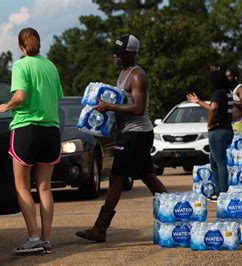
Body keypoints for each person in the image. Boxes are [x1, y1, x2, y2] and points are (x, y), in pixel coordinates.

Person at [75, 34, 168, 242]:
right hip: (131, 134)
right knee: (147, 176)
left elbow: (138, 107)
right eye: (115, 52)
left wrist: (110, 107)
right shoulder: (124, 73)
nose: (115, 56)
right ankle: (176, 213)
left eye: (120, 53)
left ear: (132, 53)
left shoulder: (137, 76)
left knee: (117, 178)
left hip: (136, 134)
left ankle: (100, 228)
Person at [0, 27, 63, 254]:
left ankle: (33, 238)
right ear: (39, 44)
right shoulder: (51, 66)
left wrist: (6, 105)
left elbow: (21, 96)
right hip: (51, 131)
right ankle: (46, 239)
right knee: (45, 187)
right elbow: (58, 97)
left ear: (20, 46)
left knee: (22, 186)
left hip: (26, 130)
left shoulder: (21, 65)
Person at [186, 68, 233, 199]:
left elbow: (213, 109)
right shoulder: (227, 93)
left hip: (217, 131)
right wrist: (198, 101)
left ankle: (223, 193)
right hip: (227, 131)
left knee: (220, 162)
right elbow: (212, 107)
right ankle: (218, 191)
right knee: (213, 161)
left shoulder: (217, 93)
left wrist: (209, 123)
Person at [226, 68, 242, 134]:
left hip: (239, 122)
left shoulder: (241, 89)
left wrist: (230, 100)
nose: (227, 79)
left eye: (229, 76)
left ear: (235, 77)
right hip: (230, 123)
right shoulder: (228, 90)